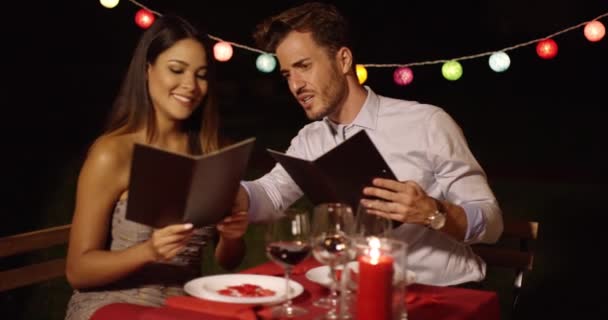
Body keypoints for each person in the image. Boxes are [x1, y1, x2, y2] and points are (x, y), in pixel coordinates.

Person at [235, 2, 503, 286]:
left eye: (304, 66)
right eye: (288, 74)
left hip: (444, 293)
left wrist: (434, 213)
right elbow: (270, 194)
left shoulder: (426, 123)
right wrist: (228, 194)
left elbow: (492, 222)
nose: (295, 85)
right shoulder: (311, 139)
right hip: (361, 290)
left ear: (343, 60)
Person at [64, 15, 247, 319]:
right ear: (148, 70)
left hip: (185, 306)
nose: (190, 85)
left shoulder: (214, 152)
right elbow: (78, 271)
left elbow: (228, 261)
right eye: (176, 70)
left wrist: (232, 236)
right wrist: (148, 251)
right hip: (112, 304)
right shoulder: (113, 153)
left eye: (201, 75)